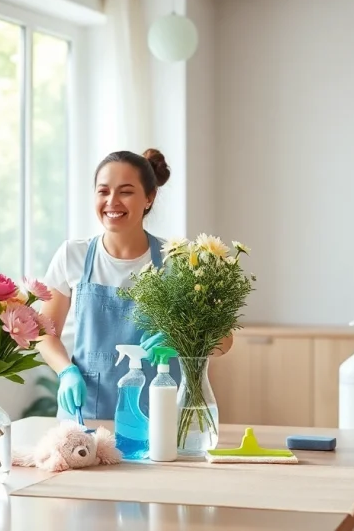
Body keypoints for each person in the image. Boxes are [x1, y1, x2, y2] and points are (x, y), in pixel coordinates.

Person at [38, 148, 233, 421]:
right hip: (87, 416)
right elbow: (45, 333)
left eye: (126, 192)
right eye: (103, 191)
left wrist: (183, 339)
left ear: (149, 198)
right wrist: (66, 371)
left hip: (161, 420)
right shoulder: (73, 256)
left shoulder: (178, 260)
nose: (112, 201)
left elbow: (224, 341)